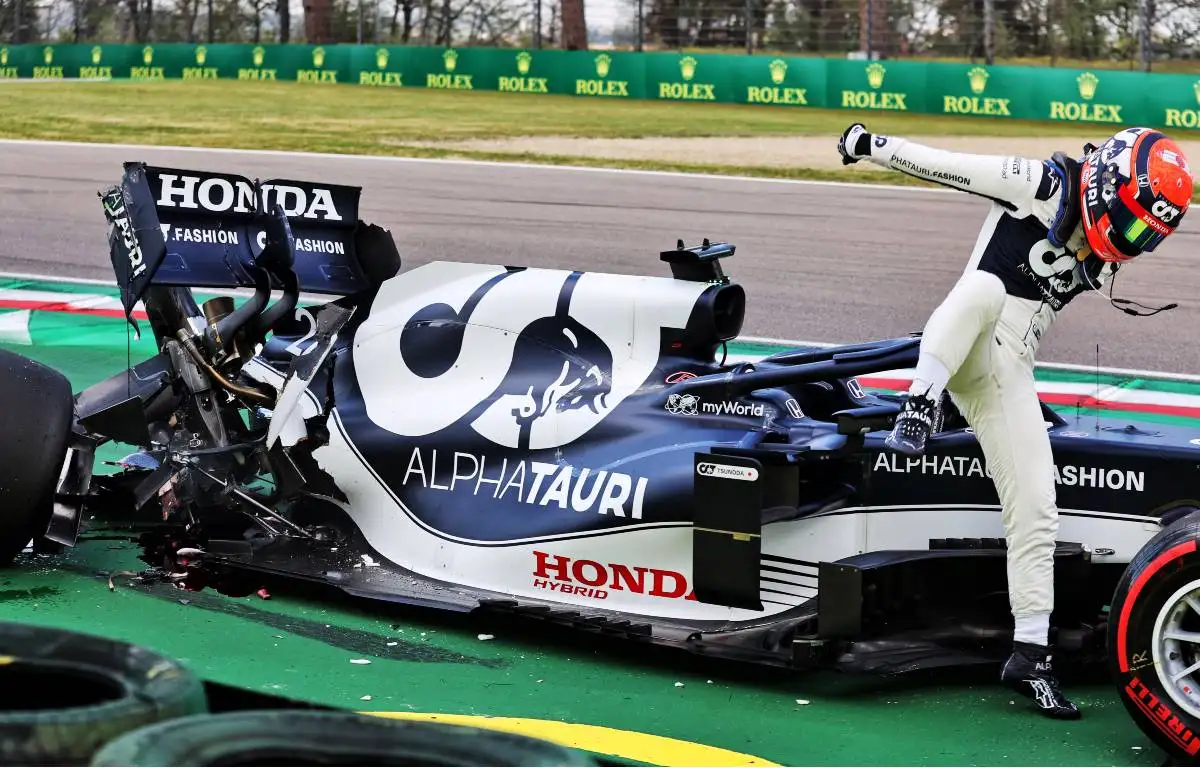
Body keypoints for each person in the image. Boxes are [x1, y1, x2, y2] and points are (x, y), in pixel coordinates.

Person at [837, 124, 1193, 719]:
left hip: (1004, 370)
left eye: (1143, 235)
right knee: (981, 286)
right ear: (1108, 182)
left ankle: (1031, 654)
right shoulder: (1038, 184)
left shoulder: (1104, 258)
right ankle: (919, 403)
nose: (1130, 241)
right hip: (961, 332)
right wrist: (870, 145)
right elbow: (944, 163)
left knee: (1036, 507)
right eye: (1130, 223)